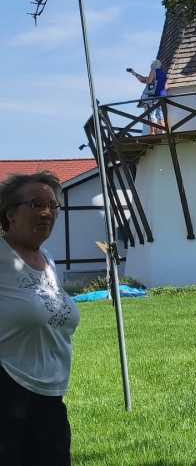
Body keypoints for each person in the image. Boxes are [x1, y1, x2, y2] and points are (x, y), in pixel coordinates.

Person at [0, 172, 80, 465]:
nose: (47, 212)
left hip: (50, 395)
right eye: (36, 204)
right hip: (7, 393)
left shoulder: (47, 261)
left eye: (52, 205)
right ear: (10, 213)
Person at [127, 59, 168, 134]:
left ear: (153, 66)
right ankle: (163, 131)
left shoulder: (153, 71)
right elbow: (165, 86)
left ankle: (152, 132)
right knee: (160, 115)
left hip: (152, 97)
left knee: (151, 114)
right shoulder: (163, 74)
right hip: (160, 97)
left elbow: (148, 81)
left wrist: (147, 78)